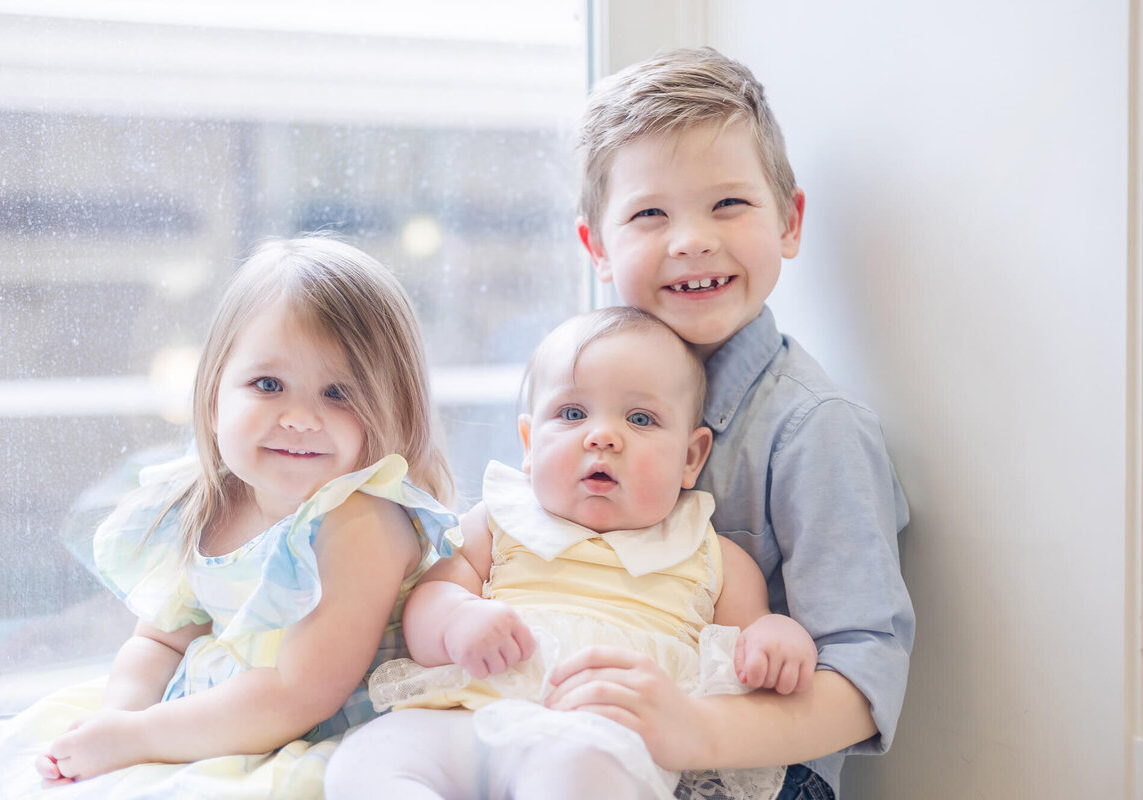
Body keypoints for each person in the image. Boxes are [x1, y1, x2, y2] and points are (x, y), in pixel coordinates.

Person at [0, 235, 457, 799]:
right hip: (202, 725)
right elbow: (161, 641)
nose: (301, 417)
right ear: (214, 395)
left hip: (311, 742)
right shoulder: (215, 500)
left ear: (395, 403)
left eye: (338, 393)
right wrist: (115, 720)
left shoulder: (360, 521)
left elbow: (299, 694)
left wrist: (137, 736)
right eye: (268, 385)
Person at [558, 47, 913, 800]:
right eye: (650, 213)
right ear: (596, 247)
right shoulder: (576, 398)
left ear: (788, 221)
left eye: (729, 204)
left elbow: (861, 682)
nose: (691, 239)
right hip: (593, 740)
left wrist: (695, 728)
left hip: (745, 772)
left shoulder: (816, 429)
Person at [325, 306, 819, 800]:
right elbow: (431, 598)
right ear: (529, 443)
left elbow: (751, 634)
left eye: (640, 418)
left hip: (596, 736)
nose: (601, 436)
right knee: (367, 757)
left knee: (579, 773)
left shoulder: (712, 554)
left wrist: (778, 640)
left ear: (690, 458)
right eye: (573, 414)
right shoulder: (500, 521)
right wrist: (457, 621)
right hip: (470, 714)